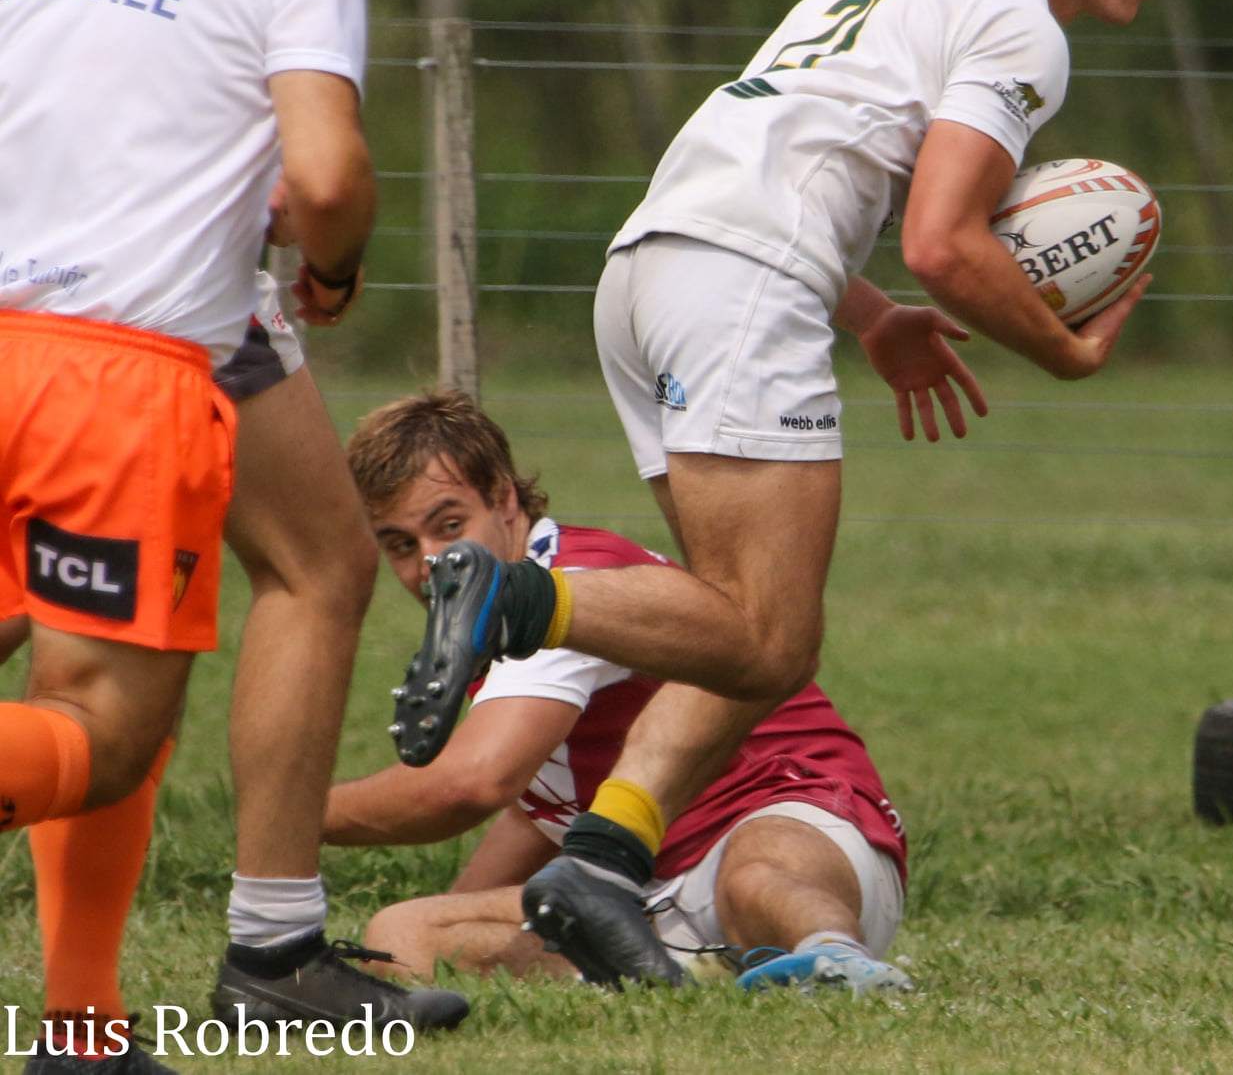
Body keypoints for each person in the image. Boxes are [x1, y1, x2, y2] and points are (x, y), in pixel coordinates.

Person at [391, 0, 1182, 987]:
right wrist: (1063, 350)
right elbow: (944, 243)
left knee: (723, 621)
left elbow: (791, 161)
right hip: (741, 290)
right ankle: (509, 601)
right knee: (770, 638)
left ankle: (601, 862)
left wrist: (867, 321)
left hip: (651, 268)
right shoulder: (1025, 29)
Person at [0, 0, 464, 1069]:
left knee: (290, 562)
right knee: (113, 702)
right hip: (138, 338)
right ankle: (258, 954)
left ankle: (90, 1022)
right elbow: (323, 177)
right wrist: (335, 255)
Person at [331, 390, 912, 994]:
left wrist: (289, 817)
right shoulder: (496, 614)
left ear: (504, 499)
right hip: (641, 887)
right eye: (401, 544)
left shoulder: (563, 585)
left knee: (752, 877)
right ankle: (679, 973)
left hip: (800, 822)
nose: (430, 561)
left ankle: (834, 955)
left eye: (449, 526)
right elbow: (544, 809)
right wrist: (461, 912)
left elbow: (471, 783)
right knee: (400, 935)